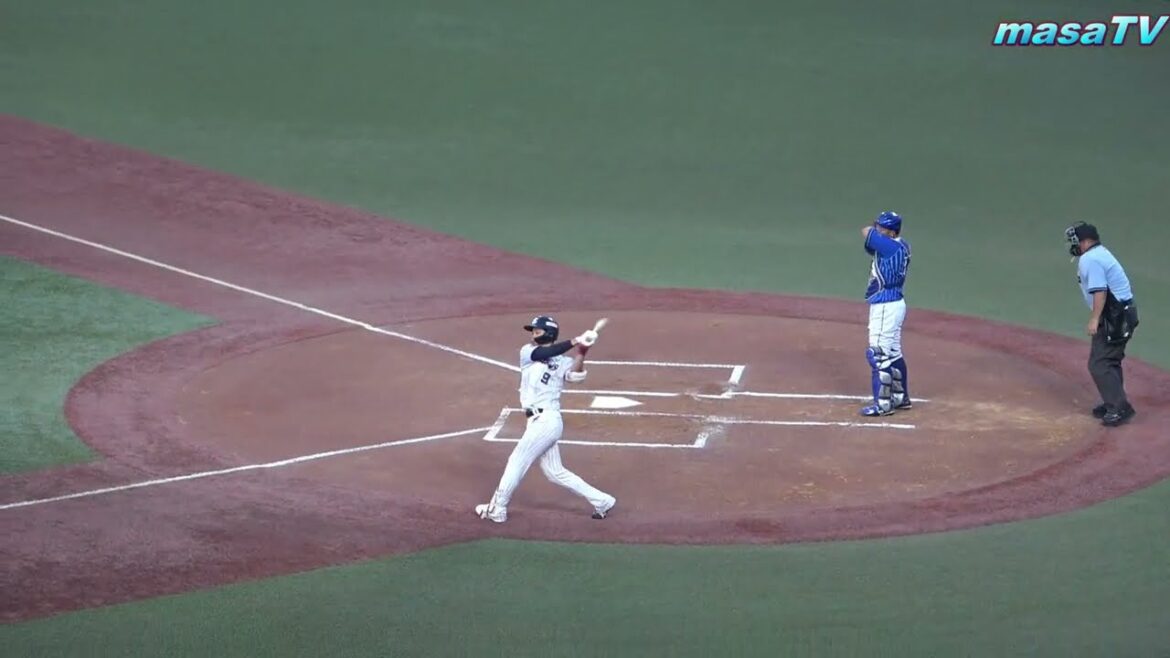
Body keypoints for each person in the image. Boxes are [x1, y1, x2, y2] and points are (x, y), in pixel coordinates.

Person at [475, 315, 617, 522]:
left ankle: (497, 509)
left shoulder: (564, 362)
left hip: (546, 420)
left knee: (516, 461)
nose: (533, 334)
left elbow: (576, 376)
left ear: (549, 333)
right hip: (539, 422)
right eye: (533, 331)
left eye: (537, 331)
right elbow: (546, 353)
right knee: (555, 472)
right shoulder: (528, 352)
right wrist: (575, 340)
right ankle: (602, 501)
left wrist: (582, 350)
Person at [1066, 222, 1139, 427]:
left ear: (1084, 241)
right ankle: (1113, 401)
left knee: (1099, 364)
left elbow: (1100, 291)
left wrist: (1094, 318)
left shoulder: (1090, 259)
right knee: (1110, 360)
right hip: (1121, 313)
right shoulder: (1099, 253)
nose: (1073, 246)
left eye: (1074, 241)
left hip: (1114, 316)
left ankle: (1119, 408)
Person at [859, 211, 913, 416]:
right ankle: (900, 397)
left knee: (878, 355)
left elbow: (866, 232)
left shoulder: (889, 247)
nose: (878, 229)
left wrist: (875, 231)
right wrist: (880, 231)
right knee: (893, 353)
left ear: (891, 232)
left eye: (882, 228)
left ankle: (883, 405)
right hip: (896, 303)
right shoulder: (902, 245)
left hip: (885, 306)